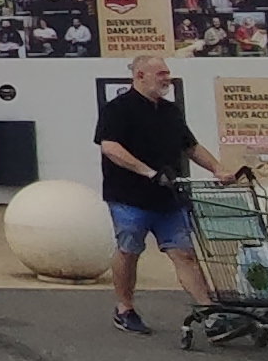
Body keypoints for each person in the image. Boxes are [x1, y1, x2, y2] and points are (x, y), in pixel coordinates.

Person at [95, 53, 237, 335]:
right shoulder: (118, 109)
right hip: (128, 197)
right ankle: (125, 309)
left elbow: (191, 146)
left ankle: (210, 314)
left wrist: (218, 169)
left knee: (184, 254)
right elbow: (110, 147)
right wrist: (148, 172)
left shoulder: (171, 111)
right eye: (161, 74)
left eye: (167, 73)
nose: (167, 79)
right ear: (140, 76)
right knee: (129, 250)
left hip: (168, 198)